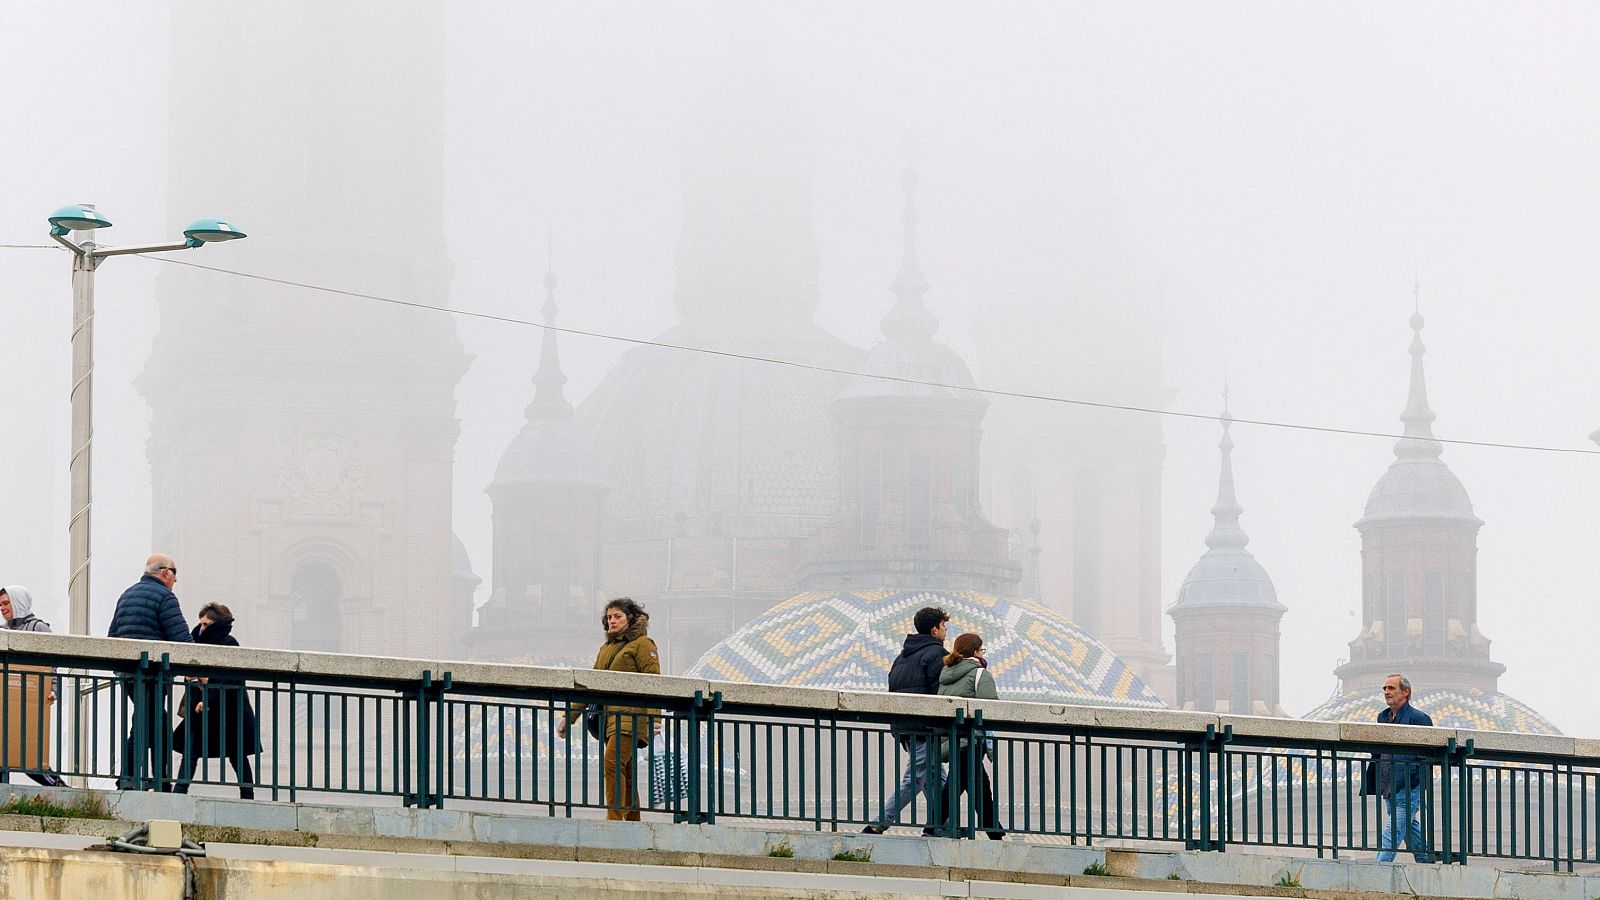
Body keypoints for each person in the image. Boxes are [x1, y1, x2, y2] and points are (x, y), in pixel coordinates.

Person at [556, 598, 661, 821]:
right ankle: (633, 821)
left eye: (617, 616)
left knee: (612, 762)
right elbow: (591, 684)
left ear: (631, 618)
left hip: (632, 716)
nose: (612, 621)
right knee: (627, 771)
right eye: (609, 617)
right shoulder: (606, 649)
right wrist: (570, 716)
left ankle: (614, 818)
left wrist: (656, 718)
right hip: (610, 718)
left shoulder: (644, 644)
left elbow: (654, 682)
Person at [862, 606, 950, 835]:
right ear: (934, 630)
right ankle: (878, 823)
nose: (946, 630)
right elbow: (941, 694)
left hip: (905, 728)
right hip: (926, 728)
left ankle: (940, 826)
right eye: (943, 626)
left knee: (936, 779)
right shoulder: (937, 655)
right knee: (914, 780)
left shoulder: (901, 657)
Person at [108, 555, 193, 790]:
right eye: (175, 573)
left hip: (129, 675)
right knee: (147, 724)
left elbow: (112, 636)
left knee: (155, 722)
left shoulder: (127, 594)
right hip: (153, 675)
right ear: (166, 573)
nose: (176, 579)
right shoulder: (165, 597)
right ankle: (134, 779)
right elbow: (181, 639)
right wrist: (197, 666)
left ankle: (154, 780)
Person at [171, 604, 259, 799]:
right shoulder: (197, 642)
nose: (202, 628)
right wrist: (191, 679)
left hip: (227, 708)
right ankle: (179, 791)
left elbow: (224, 676)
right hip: (202, 704)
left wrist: (208, 695)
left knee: (236, 753)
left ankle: (247, 795)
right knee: (191, 749)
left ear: (217, 623)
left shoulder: (229, 643)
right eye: (201, 623)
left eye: (207, 624)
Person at [936, 632, 1003, 839]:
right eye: (981, 649)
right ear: (975, 652)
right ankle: (992, 831)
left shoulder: (946, 674)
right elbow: (990, 707)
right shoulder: (980, 674)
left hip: (951, 739)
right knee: (969, 785)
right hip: (971, 740)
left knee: (967, 784)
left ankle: (992, 829)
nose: (983, 654)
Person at [0, 586, 67, 787]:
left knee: (29, 753)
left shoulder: (38, 628)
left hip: (30, 696)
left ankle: (60, 789)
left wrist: (53, 688)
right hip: (7, 696)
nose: (2, 608)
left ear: (18, 602)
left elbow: (51, 662)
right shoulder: (3, 631)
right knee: (5, 747)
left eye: (6, 603)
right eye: (0, 604)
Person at [1371, 673, 1434, 863]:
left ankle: (1378, 870)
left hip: (1408, 786)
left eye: (1391, 688)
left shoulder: (1419, 718)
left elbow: (1426, 754)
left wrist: (1414, 780)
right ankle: (1426, 862)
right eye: (1385, 688)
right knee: (1408, 826)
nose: (1386, 692)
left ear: (1405, 692)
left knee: (1392, 832)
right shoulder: (1383, 717)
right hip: (1389, 785)